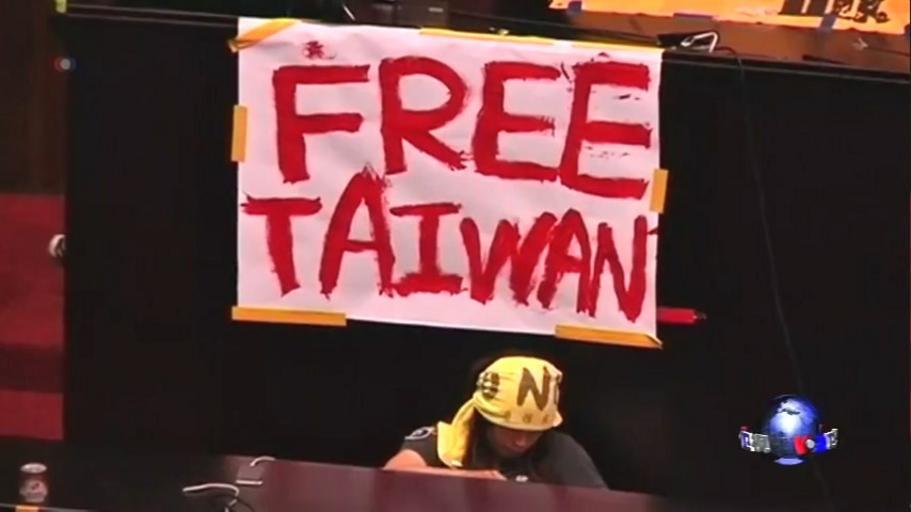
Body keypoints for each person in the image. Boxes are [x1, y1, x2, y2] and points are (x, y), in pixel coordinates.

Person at [384, 354, 607, 488]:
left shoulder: (561, 449)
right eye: (511, 429)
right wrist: (469, 480)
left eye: (533, 432)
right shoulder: (446, 440)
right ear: (486, 419)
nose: (521, 441)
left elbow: (600, 504)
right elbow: (391, 474)